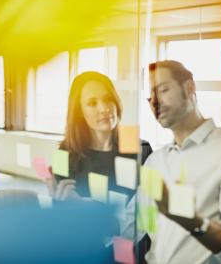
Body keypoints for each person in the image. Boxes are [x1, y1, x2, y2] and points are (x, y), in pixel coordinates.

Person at [134, 60, 221, 263]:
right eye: (150, 96)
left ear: (189, 88)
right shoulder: (155, 162)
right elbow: (140, 227)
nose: (154, 102)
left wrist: (192, 221)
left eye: (163, 90)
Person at [47, 71, 152, 202]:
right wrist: (60, 203)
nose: (104, 109)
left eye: (108, 99)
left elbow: (150, 208)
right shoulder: (63, 154)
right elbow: (59, 212)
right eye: (92, 103)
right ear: (79, 111)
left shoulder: (141, 147)